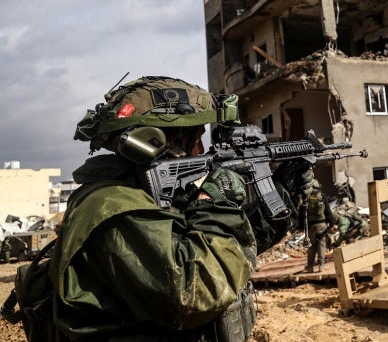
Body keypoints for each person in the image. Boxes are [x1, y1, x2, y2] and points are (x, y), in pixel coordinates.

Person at [47, 76, 313, 341]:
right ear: (154, 140)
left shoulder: (148, 196)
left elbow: (223, 249)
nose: (200, 149)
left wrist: (282, 194)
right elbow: (196, 291)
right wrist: (214, 199)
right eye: (195, 137)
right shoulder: (113, 208)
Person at [300, 180, 334, 273]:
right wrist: (331, 223)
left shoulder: (306, 197)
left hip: (310, 226)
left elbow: (302, 213)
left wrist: (301, 226)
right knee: (321, 244)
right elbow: (328, 211)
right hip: (321, 225)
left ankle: (310, 267)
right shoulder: (321, 196)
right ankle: (321, 266)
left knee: (311, 246)